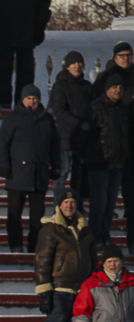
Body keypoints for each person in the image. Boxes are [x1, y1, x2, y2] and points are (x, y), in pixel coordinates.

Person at [34, 189, 94, 322]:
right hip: (59, 288)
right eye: (66, 202)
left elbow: (92, 260)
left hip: (80, 290)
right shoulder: (51, 229)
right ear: (60, 206)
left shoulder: (84, 229)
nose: (70, 205)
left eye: (73, 202)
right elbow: (42, 261)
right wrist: (45, 291)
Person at [0, 84, 59, 254]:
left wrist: (56, 166)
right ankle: (15, 245)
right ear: (22, 100)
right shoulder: (12, 118)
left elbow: (55, 145)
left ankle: (34, 246)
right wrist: (4, 165)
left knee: (37, 216)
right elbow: (2, 142)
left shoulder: (47, 119)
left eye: (35, 98)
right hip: (17, 173)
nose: (32, 102)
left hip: (40, 173)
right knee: (14, 213)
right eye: (29, 98)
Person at [93, 42, 134, 248]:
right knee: (102, 202)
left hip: (126, 149)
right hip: (105, 154)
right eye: (122, 55)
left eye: (129, 55)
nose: (126, 58)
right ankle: (99, 239)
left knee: (125, 200)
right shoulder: (104, 80)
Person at [0, 0, 51, 109]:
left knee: (25, 72)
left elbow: (43, 6)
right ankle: (4, 105)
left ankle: (22, 105)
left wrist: (39, 27)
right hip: (4, 30)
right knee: (3, 72)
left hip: (26, 30)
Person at [83, 76, 126, 247]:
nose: (118, 90)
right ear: (107, 89)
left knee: (110, 205)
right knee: (98, 205)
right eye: (114, 86)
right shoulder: (95, 107)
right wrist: (91, 157)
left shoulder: (123, 109)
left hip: (117, 163)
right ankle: (95, 238)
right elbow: (82, 135)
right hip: (99, 164)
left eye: (120, 87)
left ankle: (105, 234)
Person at [47, 51, 91, 208]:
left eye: (79, 64)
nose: (77, 66)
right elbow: (59, 111)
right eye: (74, 64)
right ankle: (58, 209)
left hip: (83, 140)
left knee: (79, 176)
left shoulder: (87, 86)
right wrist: (79, 124)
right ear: (67, 67)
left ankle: (77, 207)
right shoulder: (60, 86)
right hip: (65, 138)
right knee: (61, 175)